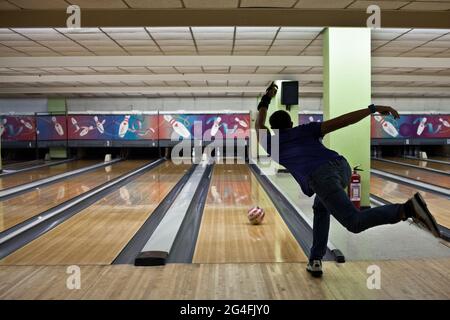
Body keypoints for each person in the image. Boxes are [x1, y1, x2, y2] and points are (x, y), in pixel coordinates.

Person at [256, 82, 441, 278]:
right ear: (291, 124)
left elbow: (259, 123)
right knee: (321, 207)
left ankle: (407, 209)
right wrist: (373, 109)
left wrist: (266, 98)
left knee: (354, 222)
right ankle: (315, 259)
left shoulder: (271, 142)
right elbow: (343, 121)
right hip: (342, 166)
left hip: (321, 177)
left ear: (273, 128)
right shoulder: (306, 129)